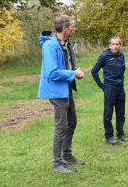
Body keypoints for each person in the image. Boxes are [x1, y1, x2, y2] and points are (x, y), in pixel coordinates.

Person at [38, 15, 85, 173]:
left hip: (67, 89)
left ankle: (67, 155)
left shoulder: (65, 43)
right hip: (57, 92)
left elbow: (66, 63)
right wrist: (73, 73)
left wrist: (74, 70)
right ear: (65, 28)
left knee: (72, 122)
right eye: (72, 27)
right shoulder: (50, 46)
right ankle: (57, 163)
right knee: (61, 127)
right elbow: (52, 73)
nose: (74, 29)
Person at [91, 36, 128, 145]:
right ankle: (109, 136)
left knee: (121, 113)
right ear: (109, 45)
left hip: (120, 88)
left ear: (120, 45)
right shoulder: (104, 56)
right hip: (109, 88)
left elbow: (123, 69)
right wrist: (102, 86)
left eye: (117, 44)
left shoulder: (121, 55)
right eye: (113, 44)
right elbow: (94, 71)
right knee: (108, 114)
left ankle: (120, 133)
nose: (116, 46)